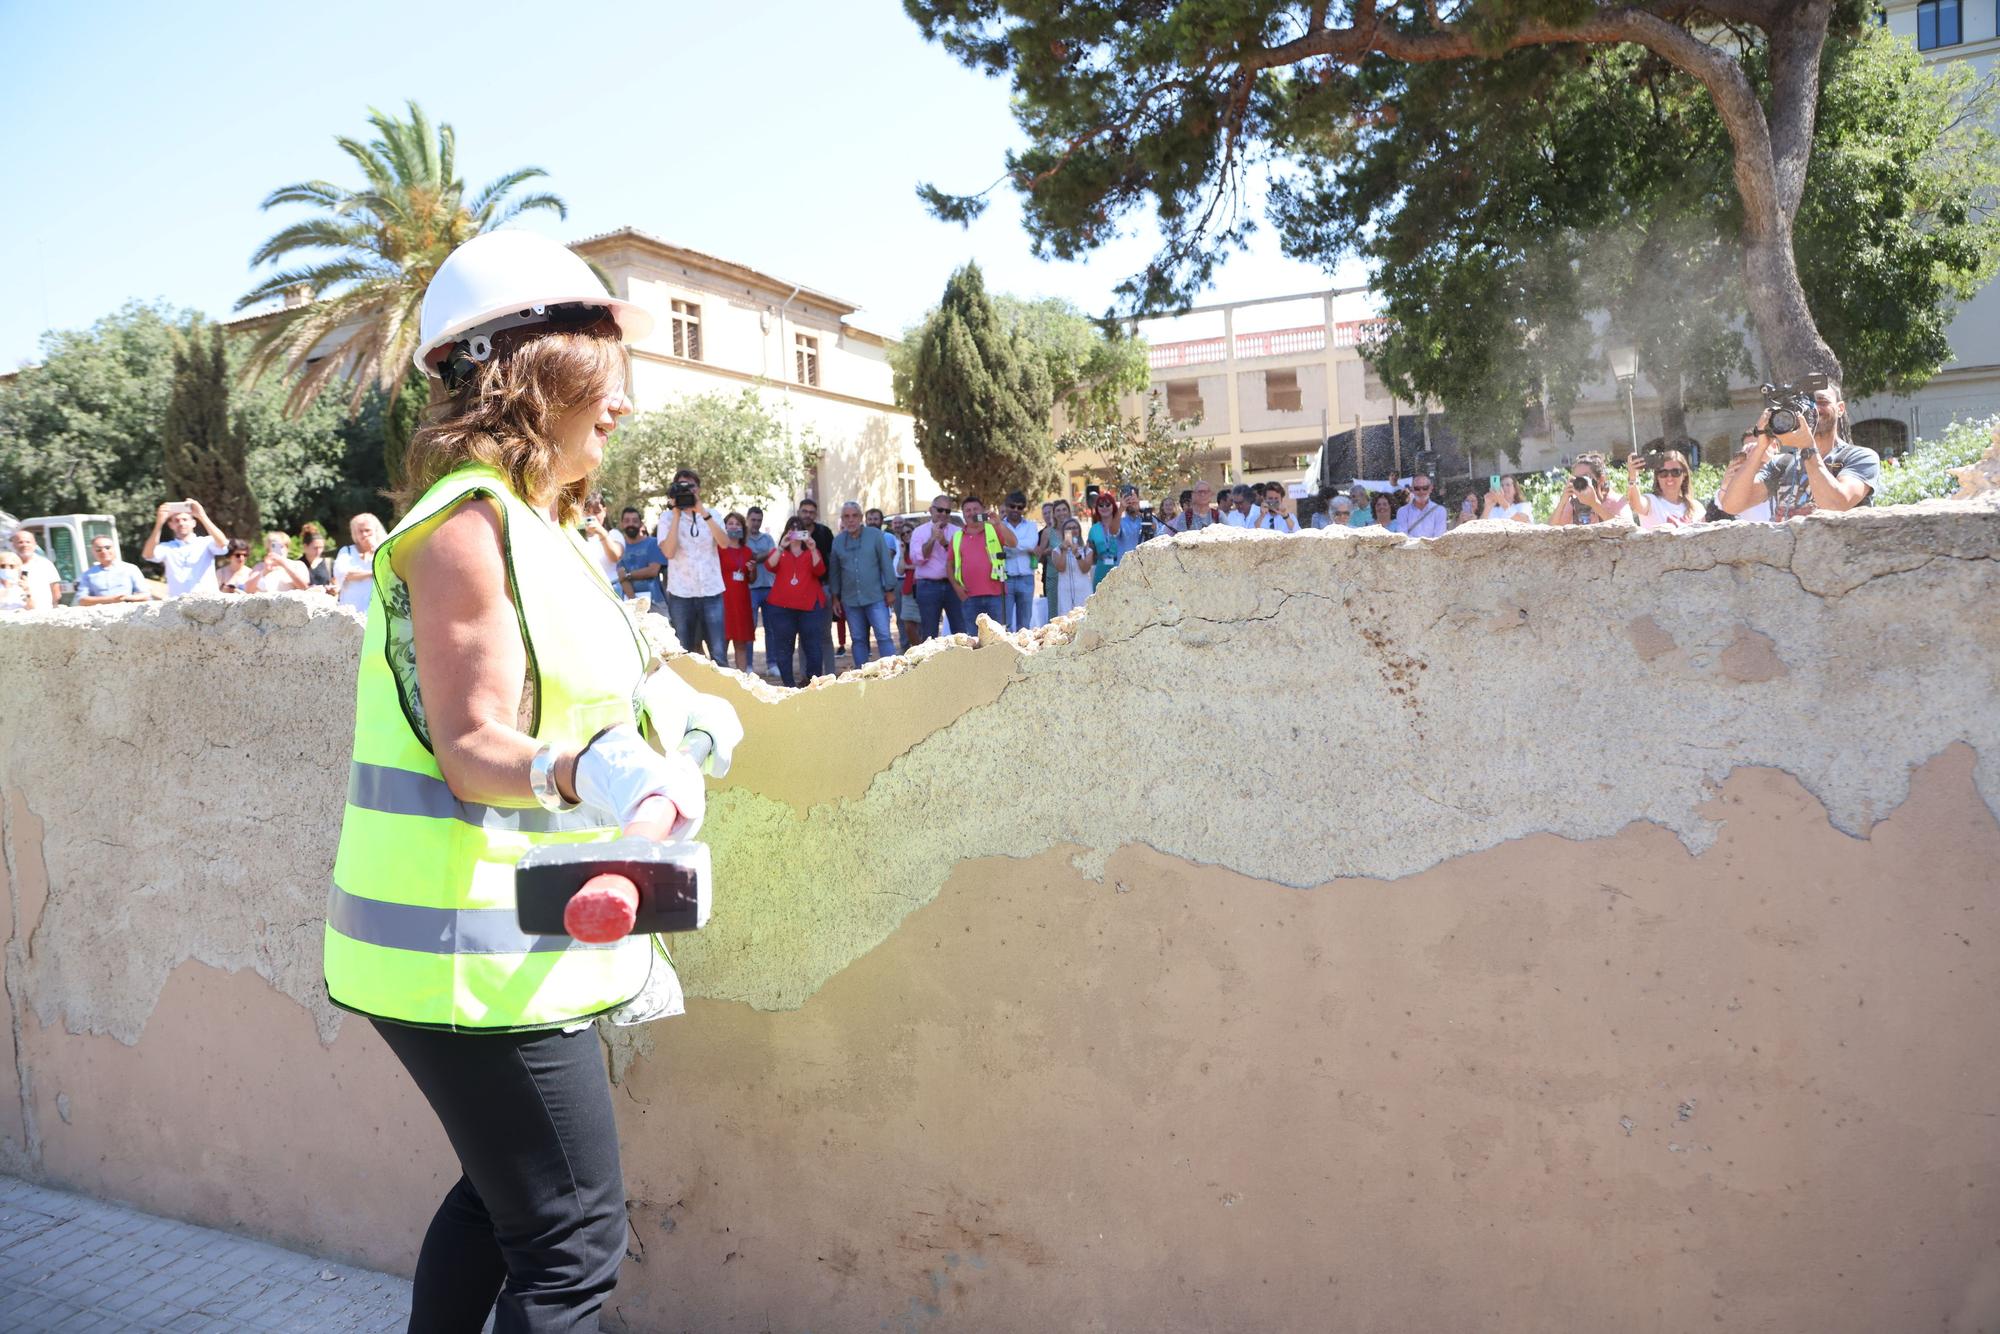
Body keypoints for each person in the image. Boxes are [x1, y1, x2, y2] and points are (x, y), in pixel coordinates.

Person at [322, 229, 741, 1333]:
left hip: (491, 948)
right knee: (569, 1243)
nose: (621, 406)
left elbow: (583, 668)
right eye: (605, 369)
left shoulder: (539, 523)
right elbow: (471, 743)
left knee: (500, 1201)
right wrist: (583, 766)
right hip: (463, 956)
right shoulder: (462, 526)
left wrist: (666, 706)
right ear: (533, 365)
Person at [1717, 379, 1879, 521]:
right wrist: (1761, 445)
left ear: (1840, 408)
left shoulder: (1860, 457)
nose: (1814, 410)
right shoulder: (1782, 463)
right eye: (1806, 404)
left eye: (1822, 402)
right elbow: (1732, 505)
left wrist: (1807, 447)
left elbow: (1836, 505)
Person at [656, 468, 735, 661]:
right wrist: (676, 514)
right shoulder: (666, 518)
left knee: (718, 653)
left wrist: (703, 514)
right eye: (681, 487)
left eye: (690, 486)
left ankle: (721, 690)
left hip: (711, 591)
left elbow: (725, 543)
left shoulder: (713, 514)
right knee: (683, 653)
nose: (687, 490)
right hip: (681, 594)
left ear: (699, 489)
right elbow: (668, 552)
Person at [829, 501, 899, 666]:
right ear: (842, 520)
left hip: (876, 597)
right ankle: (862, 676)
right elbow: (835, 572)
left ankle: (892, 674)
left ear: (861, 517)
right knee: (858, 639)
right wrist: (835, 597)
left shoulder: (875, 536)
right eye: (846, 516)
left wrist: (890, 589)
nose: (851, 520)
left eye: (854, 516)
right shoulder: (838, 542)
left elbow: (885, 563)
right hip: (850, 599)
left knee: (883, 636)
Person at [761, 515, 828, 687]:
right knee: (784, 648)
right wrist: (782, 546)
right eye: (792, 527)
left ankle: (812, 683)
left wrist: (813, 548)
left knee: (813, 646)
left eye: (800, 528)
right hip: (782, 608)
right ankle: (789, 686)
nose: (796, 531)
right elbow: (769, 565)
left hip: (809, 606)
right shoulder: (780, 552)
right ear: (786, 531)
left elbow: (820, 570)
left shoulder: (811, 551)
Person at [142, 498, 229, 599]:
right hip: (178, 602)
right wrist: (159, 523)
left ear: (193, 523)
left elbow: (223, 543)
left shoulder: (206, 542)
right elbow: (147, 554)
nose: (181, 523)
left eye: (185, 519)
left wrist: (202, 515)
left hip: (207, 600)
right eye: (177, 520)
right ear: (171, 525)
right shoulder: (167, 547)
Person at [949, 495, 1015, 628]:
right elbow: (949, 565)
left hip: (996, 594)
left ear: (983, 511)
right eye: (968, 510)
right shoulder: (957, 537)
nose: (972, 513)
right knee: (975, 641)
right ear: (963, 514)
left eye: (975, 509)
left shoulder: (994, 529)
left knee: (1000, 638)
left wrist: (998, 523)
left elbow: (1013, 543)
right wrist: (957, 588)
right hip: (969, 597)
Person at [909, 495, 963, 641]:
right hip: (928, 586)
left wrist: (945, 542)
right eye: (940, 510)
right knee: (929, 632)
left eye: (947, 511)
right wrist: (932, 539)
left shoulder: (957, 532)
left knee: (960, 630)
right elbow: (917, 559)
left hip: (953, 586)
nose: (944, 514)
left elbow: (961, 559)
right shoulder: (919, 532)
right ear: (931, 510)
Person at [718, 512, 758, 672]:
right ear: (724, 526)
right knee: (722, 643)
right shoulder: (718, 549)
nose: (734, 526)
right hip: (723, 600)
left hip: (742, 601)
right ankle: (723, 678)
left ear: (743, 528)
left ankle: (742, 678)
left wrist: (753, 570)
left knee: (741, 643)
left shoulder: (748, 551)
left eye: (737, 524)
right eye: (730, 523)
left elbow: (752, 579)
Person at [999, 491, 1041, 632]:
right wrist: (1021, 546)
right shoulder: (999, 526)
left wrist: (1010, 544)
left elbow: (1031, 544)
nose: (1016, 510)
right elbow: (1000, 547)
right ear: (1006, 506)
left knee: (1024, 624)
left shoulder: (1031, 525)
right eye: (1012, 506)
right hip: (1006, 578)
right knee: (1005, 624)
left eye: (1020, 507)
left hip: (1026, 578)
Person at [1704, 437, 1773, 523]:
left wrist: (1769, 460)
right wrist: (1727, 483)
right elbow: (1725, 505)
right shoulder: (1734, 489)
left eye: (1760, 447)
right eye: (1746, 453)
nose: (1752, 456)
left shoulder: (1786, 475)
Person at [1625, 449, 1698, 529]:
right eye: (1663, 473)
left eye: (1675, 472)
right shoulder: (1652, 502)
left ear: (1684, 475)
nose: (1669, 477)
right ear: (1657, 476)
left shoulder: (1696, 507)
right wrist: (1632, 477)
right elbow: (1635, 504)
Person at [1548, 454, 1626, 527]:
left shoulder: (1615, 502)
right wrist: (1562, 502)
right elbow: (1550, 532)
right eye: (1577, 479)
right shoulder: (1572, 504)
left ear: (1600, 479)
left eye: (1584, 478)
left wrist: (1594, 504)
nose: (1580, 482)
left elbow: (1626, 530)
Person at [615, 506, 667, 615]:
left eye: (635, 521)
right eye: (627, 521)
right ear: (621, 524)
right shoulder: (619, 548)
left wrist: (628, 575)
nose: (631, 524)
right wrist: (635, 603)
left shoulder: (653, 543)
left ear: (640, 523)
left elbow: (652, 570)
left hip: (656, 602)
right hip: (630, 603)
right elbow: (621, 577)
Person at [76, 534, 154, 605]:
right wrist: (111, 599)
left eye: (107, 548)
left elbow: (146, 595)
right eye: (98, 550)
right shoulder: (87, 575)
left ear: (114, 548)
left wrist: (125, 598)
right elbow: (82, 600)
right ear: (93, 552)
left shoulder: (130, 569)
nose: (104, 551)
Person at [742, 506, 776, 665]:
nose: (756, 523)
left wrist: (754, 557)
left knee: (771, 628)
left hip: (769, 586)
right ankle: (748, 665)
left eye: (759, 520)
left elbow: (772, 555)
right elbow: (746, 559)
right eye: (753, 520)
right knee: (749, 628)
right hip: (750, 589)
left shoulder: (768, 538)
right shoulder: (742, 539)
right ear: (747, 519)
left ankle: (772, 663)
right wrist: (759, 556)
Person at [333, 514, 386, 612]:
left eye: (367, 530)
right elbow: (345, 574)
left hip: (376, 611)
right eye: (360, 531)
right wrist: (373, 573)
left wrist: (376, 550)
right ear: (355, 534)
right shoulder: (347, 551)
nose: (364, 535)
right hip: (350, 610)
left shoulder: (383, 551)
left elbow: (388, 571)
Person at [1047, 516, 1094, 618]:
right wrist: (1064, 550)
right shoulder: (1056, 551)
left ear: (1079, 530)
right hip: (1065, 594)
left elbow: (1085, 569)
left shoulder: (1087, 550)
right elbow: (1061, 568)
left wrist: (1077, 554)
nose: (1072, 530)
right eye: (1069, 528)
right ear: (1064, 532)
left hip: (1084, 592)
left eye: (1075, 527)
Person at [577, 491, 625, 586]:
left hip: (611, 586)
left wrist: (601, 533)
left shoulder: (614, 534)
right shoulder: (576, 534)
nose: (592, 516)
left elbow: (615, 556)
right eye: (587, 512)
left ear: (604, 512)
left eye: (596, 512)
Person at [9, 528, 65, 607]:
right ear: (13, 545)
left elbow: (56, 592)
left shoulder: (45, 564)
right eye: (20, 542)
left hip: (41, 612)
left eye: (28, 542)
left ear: (35, 544)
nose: (25, 545)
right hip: (14, 612)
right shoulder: (6, 565)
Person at [246, 530, 311, 592]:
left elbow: (304, 587)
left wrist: (284, 565)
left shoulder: (298, 565)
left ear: (287, 548)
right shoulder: (260, 567)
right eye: (274, 546)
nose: (279, 549)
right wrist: (264, 571)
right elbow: (248, 590)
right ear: (268, 549)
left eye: (281, 546)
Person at [1087, 492, 1124, 587]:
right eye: (1101, 505)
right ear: (1097, 508)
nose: (1104, 507)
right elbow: (1090, 553)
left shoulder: (1122, 524)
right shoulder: (1093, 529)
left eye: (1108, 504)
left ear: (1113, 506)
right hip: (1101, 569)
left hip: (1120, 567)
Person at [299, 522, 336, 592]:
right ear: (305, 547)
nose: (319, 551)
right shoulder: (297, 564)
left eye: (321, 547)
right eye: (315, 548)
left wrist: (333, 589)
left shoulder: (329, 563)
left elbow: (336, 583)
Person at [1115, 484, 1146, 557]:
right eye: (1126, 498)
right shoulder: (1119, 519)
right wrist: (1121, 509)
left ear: (1138, 498)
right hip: (1125, 565)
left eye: (1132, 496)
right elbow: (1113, 531)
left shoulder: (1148, 517)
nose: (1130, 501)